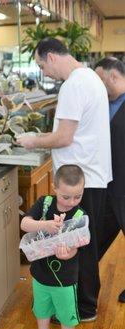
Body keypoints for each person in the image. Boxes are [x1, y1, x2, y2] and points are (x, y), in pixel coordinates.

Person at [17, 38, 112, 322]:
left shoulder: (73, 84)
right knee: (85, 242)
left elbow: (64, 137)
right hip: (91, 175)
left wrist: (33, 141)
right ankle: (85, 305)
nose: (43, 72)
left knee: (78, 245)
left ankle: (83, 308)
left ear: (52, 57)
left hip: (81, 179)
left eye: (41, 64)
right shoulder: (90, 77)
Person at [21, 164, 87, 329]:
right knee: (41, 309)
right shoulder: (44, 203)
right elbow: (25, 224)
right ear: (55, 187)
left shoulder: (79, 216)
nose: (71, 202)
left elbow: (77, 245)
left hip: (65, 279)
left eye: (77, 196)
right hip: (40, 274)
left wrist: (68, 254)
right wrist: (45, 225)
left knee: (67, 314)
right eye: (66, 197)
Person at [95, 58, 125, 303]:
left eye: (101, 80)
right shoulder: (103, 103)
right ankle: (81, 285)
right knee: (98, 235)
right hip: (107, 184)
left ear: (114, 76)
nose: (99, 86)